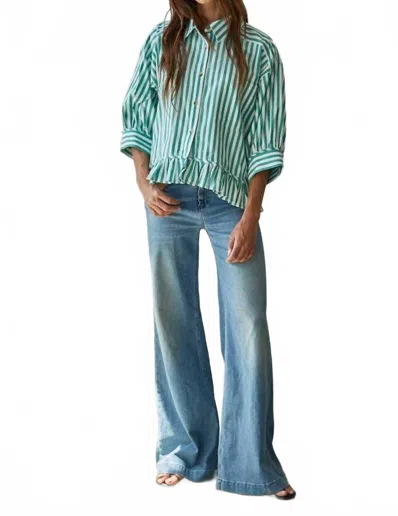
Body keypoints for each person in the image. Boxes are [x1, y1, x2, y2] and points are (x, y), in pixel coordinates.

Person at [120, 0, 296, 500]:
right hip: (166, 198)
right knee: (172, 321)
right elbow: (139, 114)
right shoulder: (162, 40)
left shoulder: (258, 50)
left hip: (229, 203)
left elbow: (265, 137)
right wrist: (143, 182)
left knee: (247, 325)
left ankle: (251, 465)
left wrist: (251, 215)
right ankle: (186, 451)